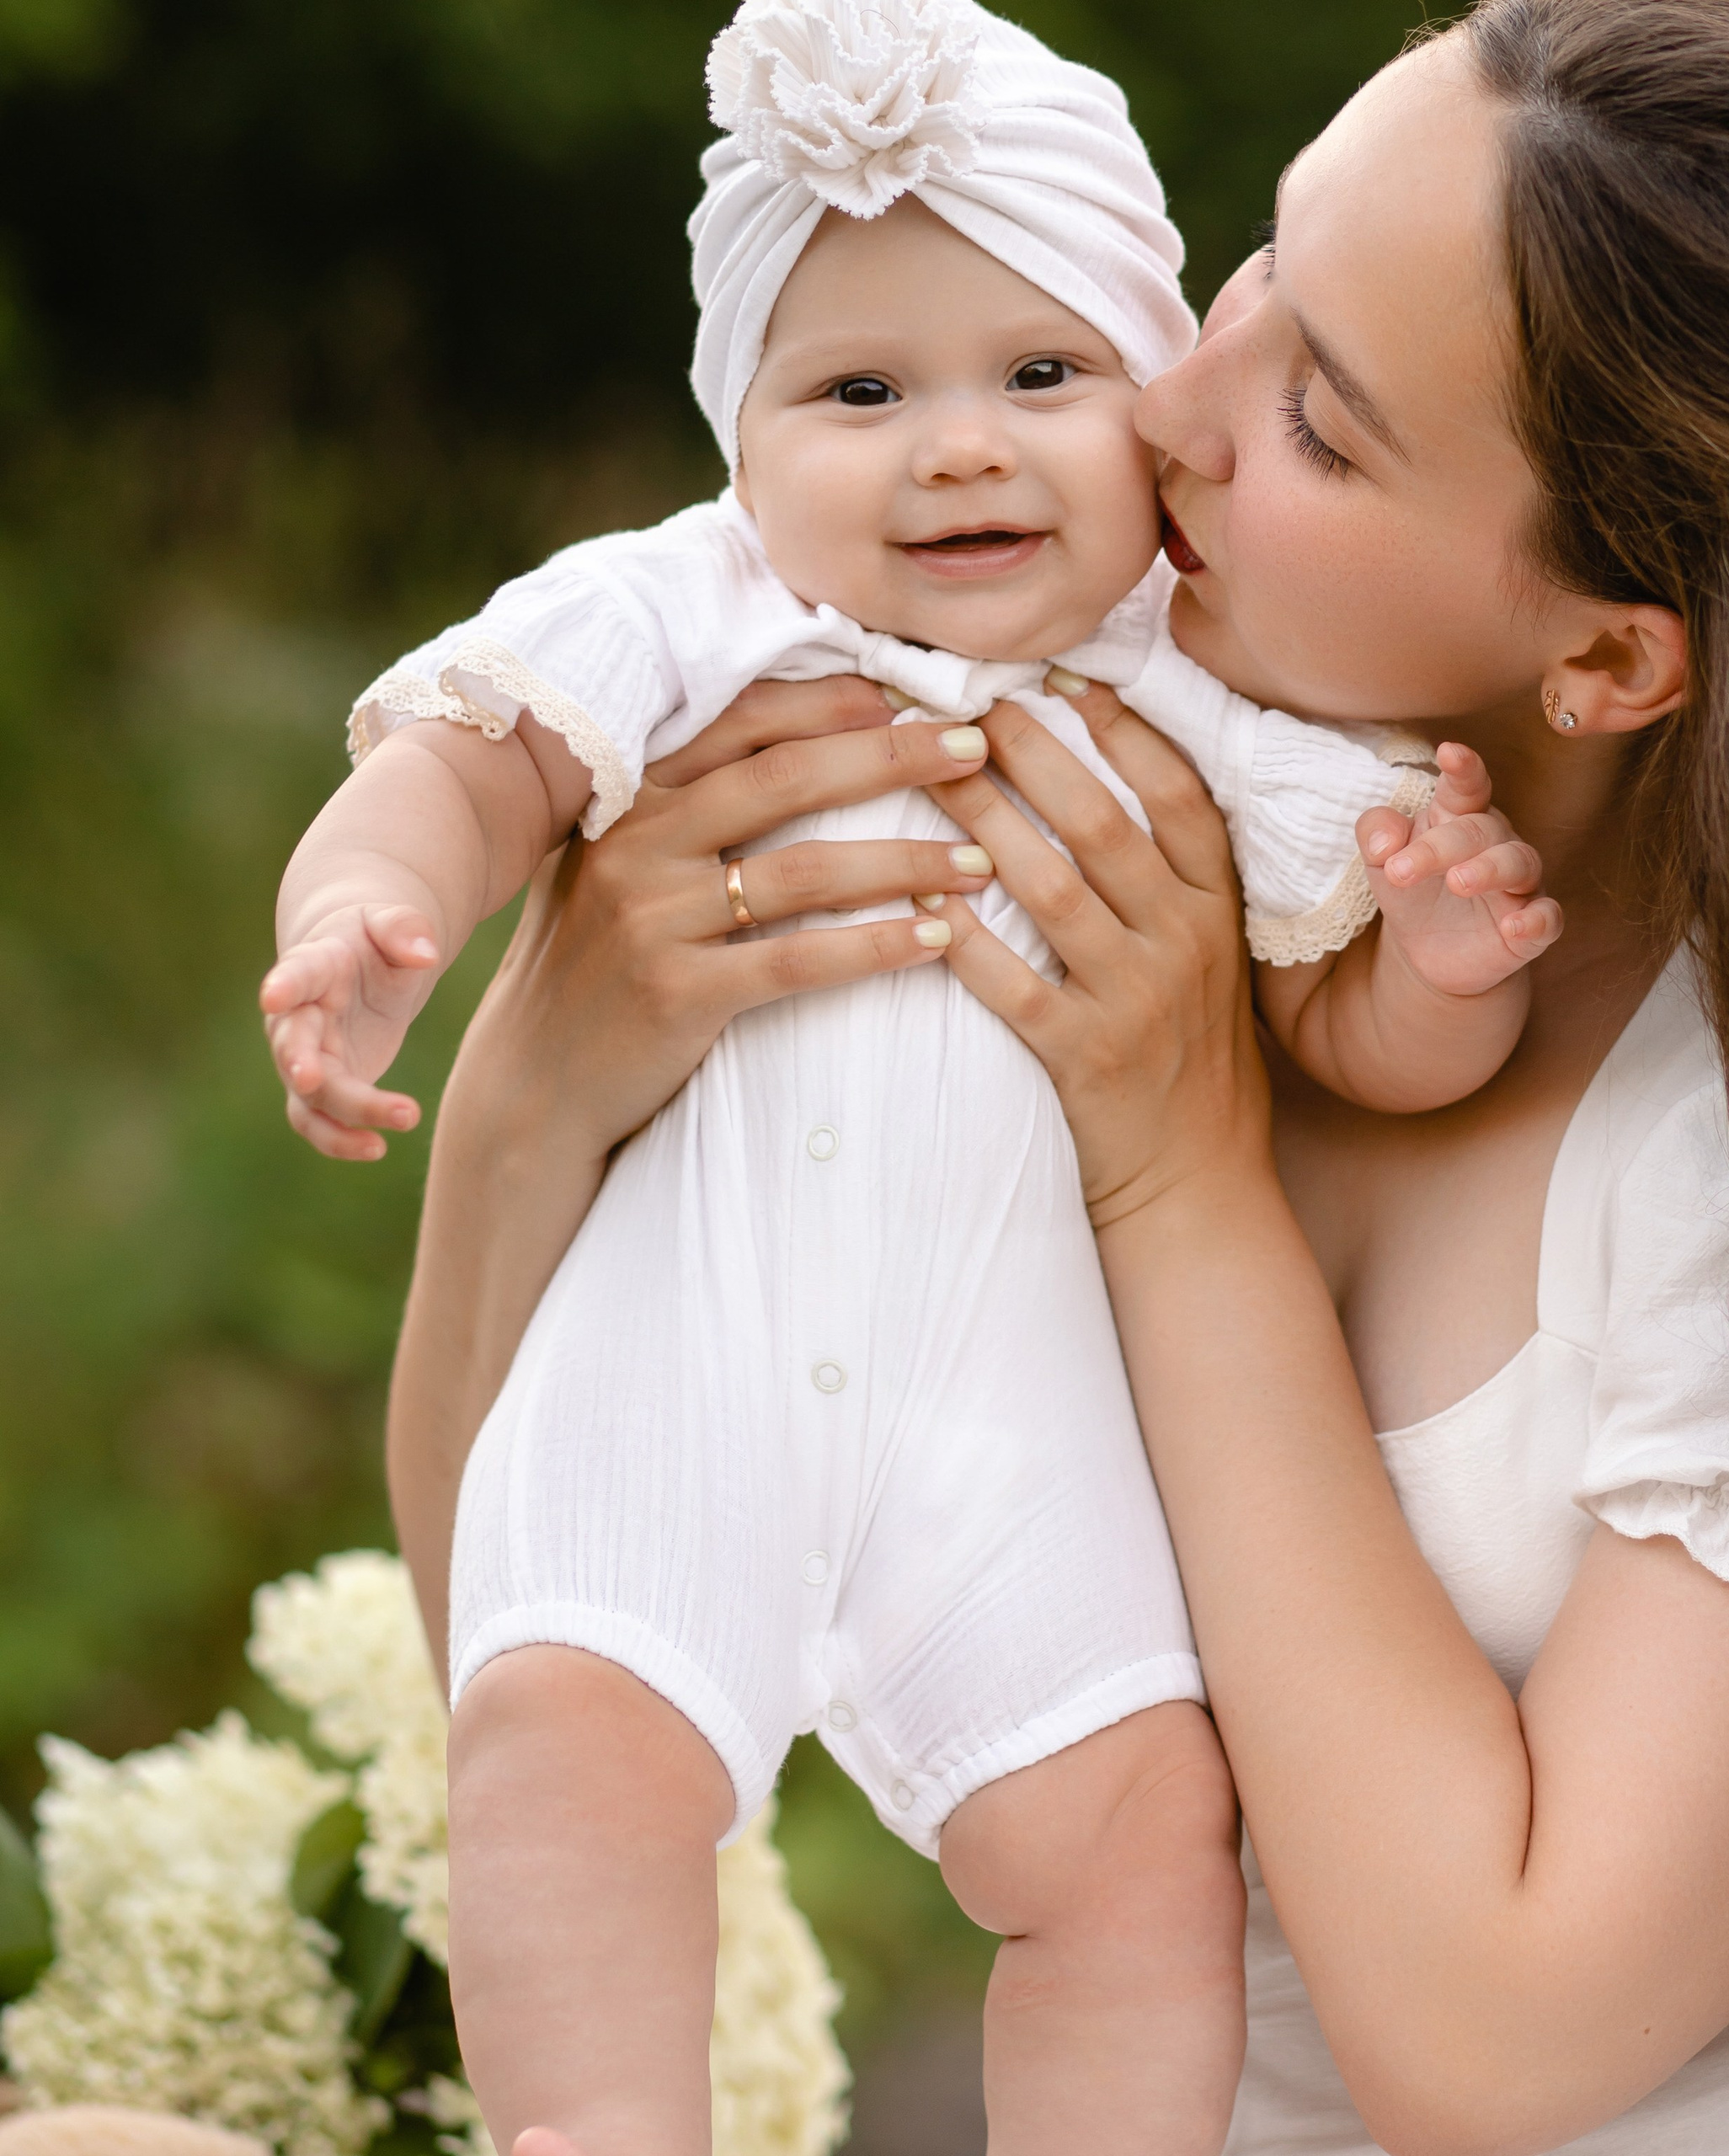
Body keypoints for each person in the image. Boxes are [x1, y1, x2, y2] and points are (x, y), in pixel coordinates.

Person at [387, 0, 1729, 2151]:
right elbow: (533, 1606)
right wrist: (534, 1087)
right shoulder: (1123, 836)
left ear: (1604, 656)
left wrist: (1180, 1172)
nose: (1168, 404)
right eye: (1249, 272)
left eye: (1320, 419)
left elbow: (1489, 2040)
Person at [267, 5, 1563, 2150]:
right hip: (687, 1370)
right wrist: (369, 924)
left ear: (1144, 405)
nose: (958, 446)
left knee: (1144, 1837)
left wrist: (1444, 966)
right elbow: (458, 766)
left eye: (1042, 376)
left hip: (1008, 1423)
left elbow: (1339, 1026)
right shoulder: (690, 609)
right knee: (554, 1747)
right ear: (741, 439)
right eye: (860, 391)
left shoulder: (1192, 686)